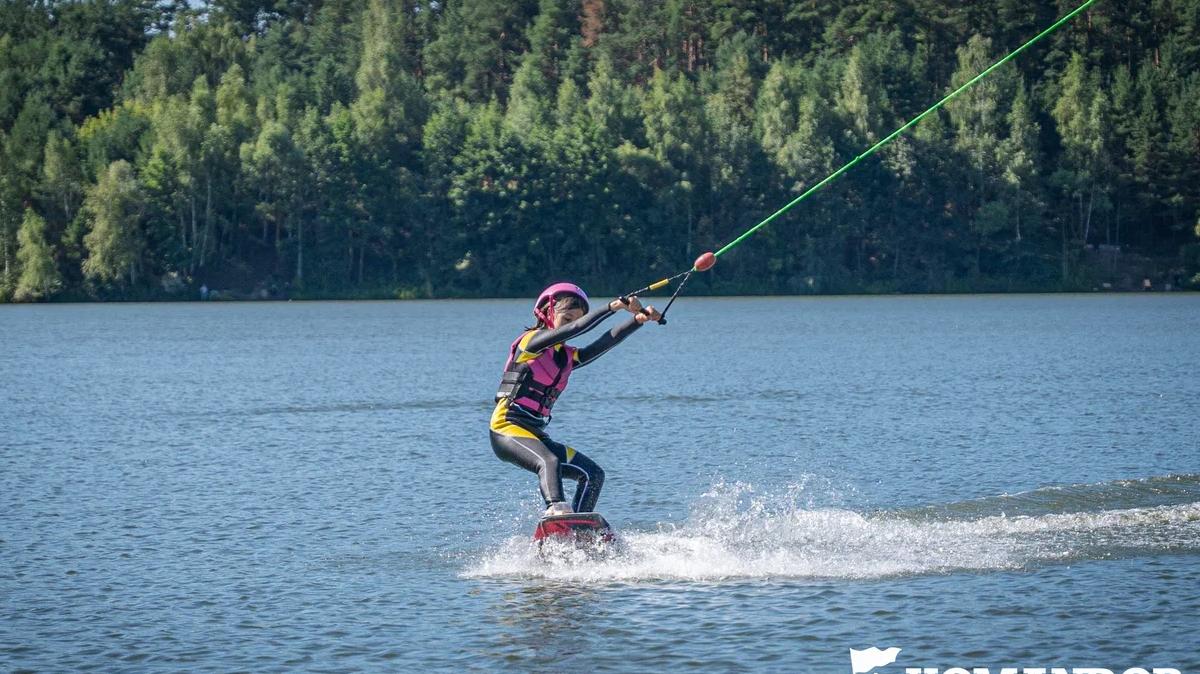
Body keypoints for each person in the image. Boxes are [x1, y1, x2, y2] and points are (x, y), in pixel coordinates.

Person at [490, 283, 662, 518]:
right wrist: (613, 307)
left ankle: (578, 527)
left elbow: (600, 345)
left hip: (535, 434)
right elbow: (577, 329)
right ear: (547, 312)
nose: (571, 323)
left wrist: (637, 320)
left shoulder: (565, 357)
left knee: (593, 474)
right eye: (566, 317)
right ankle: (557, 510)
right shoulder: (530, 343)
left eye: (576, 318)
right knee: (549, 462)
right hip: (506, 428)